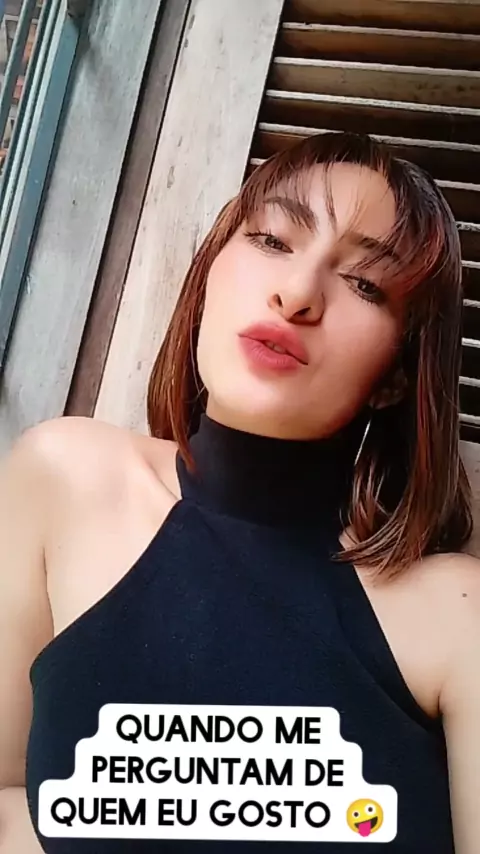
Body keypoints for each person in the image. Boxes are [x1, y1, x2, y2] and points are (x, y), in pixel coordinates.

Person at [0, 131, 479, 854]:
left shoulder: (457, 617)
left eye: (365, 283)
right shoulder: (63, 478)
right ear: (210, 271)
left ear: (397, 374)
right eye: (273, 240)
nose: (298, 294)